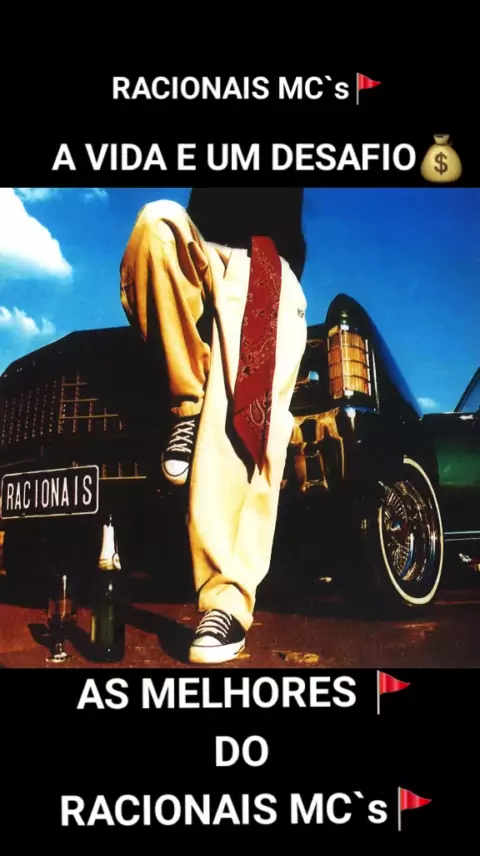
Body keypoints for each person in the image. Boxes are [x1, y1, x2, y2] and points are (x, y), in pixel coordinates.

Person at [120, 188, 307, 664]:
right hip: (202, 247)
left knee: (244, 410)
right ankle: (187, 406)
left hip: (264, 259)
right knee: (157, 223)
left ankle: (226, 599)